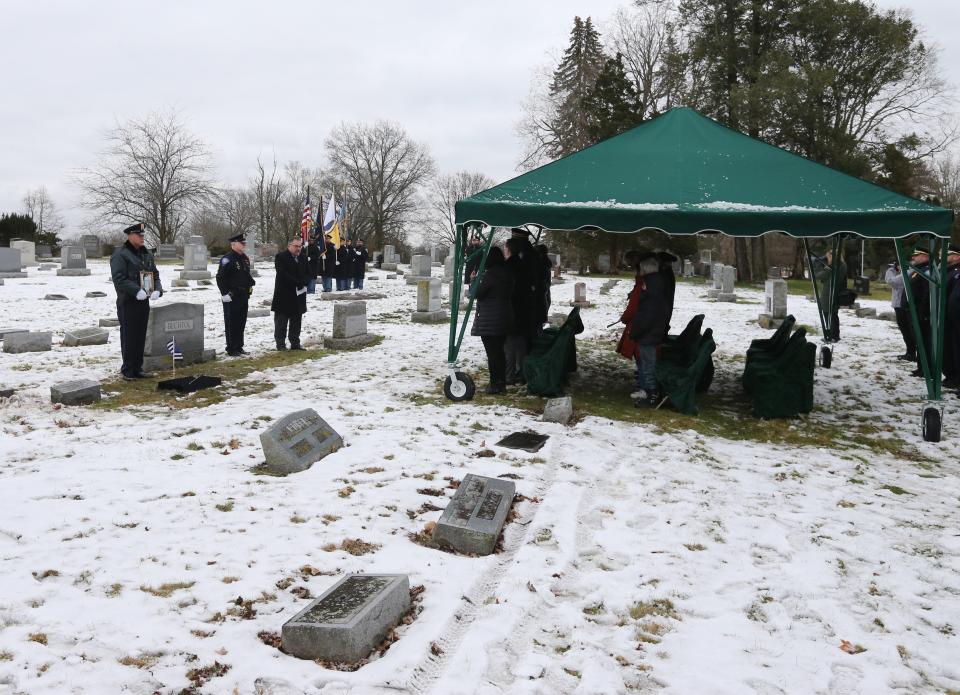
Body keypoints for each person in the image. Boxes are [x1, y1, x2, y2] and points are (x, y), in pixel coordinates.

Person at [110, 222, 163, 380]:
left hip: (143, 301)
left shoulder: (145, 254)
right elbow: (119, 279)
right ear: (130, 235)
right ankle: (128, 369)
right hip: (128, 301)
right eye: (139, 235)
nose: (142, 238)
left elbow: (154, 275)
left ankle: (138, 368)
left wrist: (157, 290)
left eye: (143, 235)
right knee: (129, 335)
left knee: (140, 335)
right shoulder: (121, 254)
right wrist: (136, 290)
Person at [470, 246, 514, 394]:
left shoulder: (491, 275)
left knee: (493, 355)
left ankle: (496, 385)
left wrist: (473, 280)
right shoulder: (508, 273)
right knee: (500, 352)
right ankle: (501, 383)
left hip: (490, 318)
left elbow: (478, 293)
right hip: (505, 316)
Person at [630, 255, 668, 407]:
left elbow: (647, 313)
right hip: (651, 331)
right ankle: (651, 394)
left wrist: (637, 331)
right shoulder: (656, 284)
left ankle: (652, 396)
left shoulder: (652, 285)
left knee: (648, 366)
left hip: (648, 333)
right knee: (647, 365)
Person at [504, 236, 539, 385]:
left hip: (511, 309)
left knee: (509, 345)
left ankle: (510, 375)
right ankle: (522, 373)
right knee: (521, 344)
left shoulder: (507, 266)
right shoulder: (525, 265)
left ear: (509, 249)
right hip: (524, 309)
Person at [216, 233, 256, 357]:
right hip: (231, 295)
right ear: (233, 244)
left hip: (243, 294)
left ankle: (239, 346)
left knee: (241, 321)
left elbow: (245, 275)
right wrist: (224, 293)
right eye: (241, 243)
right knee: (231, 321)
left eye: (244, 243)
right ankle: (232, 348)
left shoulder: (244, 258)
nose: (244, 245)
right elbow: (220, 277)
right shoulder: (228, 258)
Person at [271, 238, 309, 350]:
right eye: (296, 246)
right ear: (289, 246)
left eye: (300, 246)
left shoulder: (303, 257)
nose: (298, 248)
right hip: (284, 294)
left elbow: (308, 272)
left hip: (299, 294)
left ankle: (295, 343)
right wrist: (298, 283)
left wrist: (305, 282)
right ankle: (280, 344)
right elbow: (283, 274)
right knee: (281, 322)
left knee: (296, 321)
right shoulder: (281, 257)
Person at [617, 258, 645, 394]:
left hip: (639, 326)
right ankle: (643, 384)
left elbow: (633, 309)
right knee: (642, 357)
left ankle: (644, 387)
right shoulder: (646, 285)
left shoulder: (641, 286)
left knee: (641, 357)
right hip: (645, 325)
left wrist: (624, 318)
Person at [885, 261, 915, 362]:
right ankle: (910, 352)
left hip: (901, 306)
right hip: (899, 305)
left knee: (907, 331)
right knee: (905, 331)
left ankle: (911, 353)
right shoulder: (906, 273)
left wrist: (891, 270)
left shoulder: (908, 273)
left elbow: (890, 280)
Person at [908, 246, 931, 376]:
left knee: (924, 342)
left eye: (917, 255)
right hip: (914, 311)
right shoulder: (919, 270)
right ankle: (921, 367)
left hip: (921, 312)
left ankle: (926, 369)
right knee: (919, 341)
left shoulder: (926, 271)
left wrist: (922, 311)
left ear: (926, 256)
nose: (913, 257)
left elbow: (926, 293)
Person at [942, 245, 960, 388]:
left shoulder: (956, 272)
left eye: (948, 253)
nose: (945, 255)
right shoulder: (948, 271)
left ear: (957, 256)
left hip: (954, 319)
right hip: (948, 318)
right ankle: (952, 377)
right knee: (949, 350)